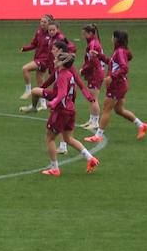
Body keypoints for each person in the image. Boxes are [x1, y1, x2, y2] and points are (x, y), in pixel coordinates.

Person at [28, 48, 99, 176]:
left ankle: (55, 168)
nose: (54, 60)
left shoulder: (61, 76)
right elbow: (70, 93)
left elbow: (61, 94)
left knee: (49, 138)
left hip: (61, 111)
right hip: (71, 110)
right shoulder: (69, 75)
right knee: (68, 138)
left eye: (56, 59)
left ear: (61, 63)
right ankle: (90, 158)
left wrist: (54, 103)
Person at [86, 29, 147, 143]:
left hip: (117, 84)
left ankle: (98, 136)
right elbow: (112, 63)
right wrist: (99, 55)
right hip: (121, 84)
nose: (111, 38)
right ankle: (142, 125)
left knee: (106, 109)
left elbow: (124, 67)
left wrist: (112, 77)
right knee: (119, 110)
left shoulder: (119, 51)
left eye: (112, 37)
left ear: (116, 39)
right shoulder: (120, 51)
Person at [19, 14, 55, 110]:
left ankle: (28, 90)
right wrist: (25, 48)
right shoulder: (39, 31)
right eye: (41, 21)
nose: (42, 23)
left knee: (25, 68)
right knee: (40, 81)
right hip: (38, 58)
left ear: (49, 23)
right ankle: (43, 103)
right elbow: (34, 44)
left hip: (44, 60)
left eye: (44, 22)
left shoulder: (51, 35)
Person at [78, 24, 108, 131]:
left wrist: (83, 70)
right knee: (91, 97)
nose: (83, 35)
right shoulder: (93, 43)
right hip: (94, 72)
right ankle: (91, 119)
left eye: (84, 33)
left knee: (93, 99)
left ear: (90, 33)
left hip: (96, 73)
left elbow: (92, 61)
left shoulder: (93, 44)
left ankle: (95, 122)